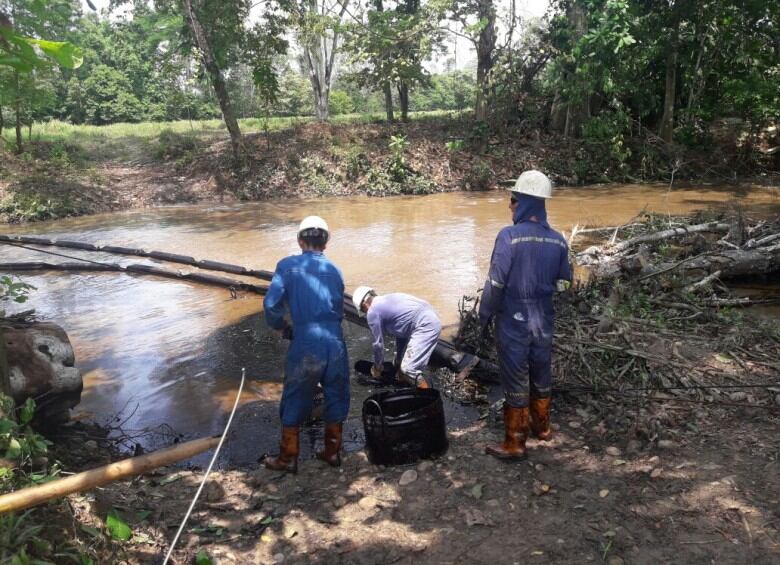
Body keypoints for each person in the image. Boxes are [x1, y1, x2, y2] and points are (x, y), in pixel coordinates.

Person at [479, 170, 572, 461]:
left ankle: (515, 441)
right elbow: (564, 283)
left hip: (513, 322)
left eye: (513, 200)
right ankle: (542, 428)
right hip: (543, 321)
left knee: (515, 378)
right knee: (541, 374)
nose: (510, 206)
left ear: (525, 203)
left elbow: (495, 284)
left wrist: (483, 317)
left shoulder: (508, 237)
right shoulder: (558, 241)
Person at [262, 216, 350, 473]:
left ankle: (288, 458)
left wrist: (282, 327)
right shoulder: (335, 270)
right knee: (337, 393)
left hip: (306, 341)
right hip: (335, 341)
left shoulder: (287, 266)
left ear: (300, 240)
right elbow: (337, 305)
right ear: (326, 242)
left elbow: (271, 306)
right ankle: (332, 453)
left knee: (295, 396)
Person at [352, 287, 441, 389]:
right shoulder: (387, 299)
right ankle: (404, 380)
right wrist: (398, 360)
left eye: (363, 310)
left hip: (426, 326)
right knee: (403, 368)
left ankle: (429, 396)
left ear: (364, 305)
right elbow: (402, 334)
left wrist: (377, 368)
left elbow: (378, 345)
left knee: (408, 369)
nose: (365, 313)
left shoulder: (372, 312)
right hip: (432, 319)